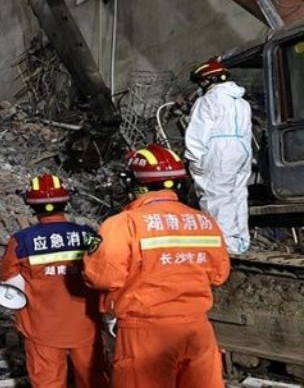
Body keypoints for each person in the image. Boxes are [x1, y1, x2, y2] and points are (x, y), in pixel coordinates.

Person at [83, 144, 231, 388]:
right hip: (197, 329)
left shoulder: (123, 223)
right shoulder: (204, 222)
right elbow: (219, 275)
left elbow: (104, 277)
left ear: (135, 183)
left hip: (146, 332)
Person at [0, 174, 107, 388]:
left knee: (47, 381)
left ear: (31, 205)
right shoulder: (88, 235)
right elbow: (105, 273)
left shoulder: (22, 240)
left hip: (42, 328)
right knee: (93, 380)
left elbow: (9, 280)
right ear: (65, 202)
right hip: (86, 325)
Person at [185, 59, 252, 254]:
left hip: (219, 150)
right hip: (241, 150)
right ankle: (241, 241)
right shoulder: (242, 102)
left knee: (216, 195)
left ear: (206, 81)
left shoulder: (208, 101)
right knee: (238, 194)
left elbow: (198, 131)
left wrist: (194, 157)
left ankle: (225, 245)